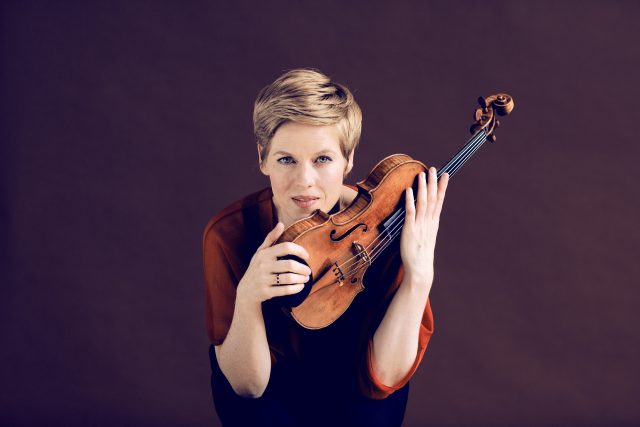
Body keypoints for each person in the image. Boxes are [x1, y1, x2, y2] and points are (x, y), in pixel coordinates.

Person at [202, 68, 449, 427]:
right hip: (271, 394)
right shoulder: (228, 233)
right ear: (262, 158)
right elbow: (248, 387)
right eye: (286, 159)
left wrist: (419, 276)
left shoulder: (388, 224)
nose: (305, 182)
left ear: (348, 160)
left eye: (323, 159)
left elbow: (385, 377)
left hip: (357, 386)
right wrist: (248, 298)